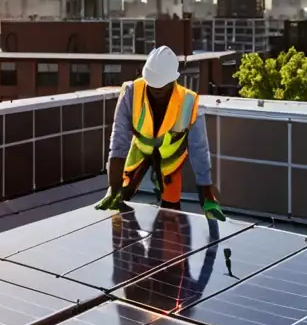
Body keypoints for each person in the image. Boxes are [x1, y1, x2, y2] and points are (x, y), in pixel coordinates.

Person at [96, 46, 226, 221]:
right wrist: (113, 186)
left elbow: (199, 149)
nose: (155, 90)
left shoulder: (188, 102)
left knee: (170, 216)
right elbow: (119, 138)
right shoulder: (132, 92)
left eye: (160, 86)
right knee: (119, 198)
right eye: (152, 84)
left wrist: (207, 196)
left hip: (170, 160)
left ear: (173, 81)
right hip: (140, 152)